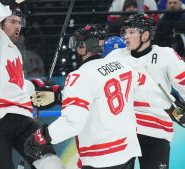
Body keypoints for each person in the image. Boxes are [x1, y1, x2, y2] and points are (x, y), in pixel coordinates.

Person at [24, 24, 142, 169]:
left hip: (101, 156)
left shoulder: (79, 76)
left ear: (82, 47)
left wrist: (42, 136)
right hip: (128, 151)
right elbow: (101, 95)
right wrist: (62, 95)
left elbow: (73, 122)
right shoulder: (122, 66)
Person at [0, 0, 65, 169]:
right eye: (13, 21)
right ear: (0, 24)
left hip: (23, 120)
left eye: (20, 23)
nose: (18, 26)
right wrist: (8, 4)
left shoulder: (13, 50)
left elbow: (15, 85)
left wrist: (37, 87)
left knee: (52, 164)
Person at [117, 13, 185, 169]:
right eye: (125, 32)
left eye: (131, 32)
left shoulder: (165, 55)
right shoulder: (116, 57)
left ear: (145, 35)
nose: (126, 36)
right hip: (123, 130)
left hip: (156, 131)